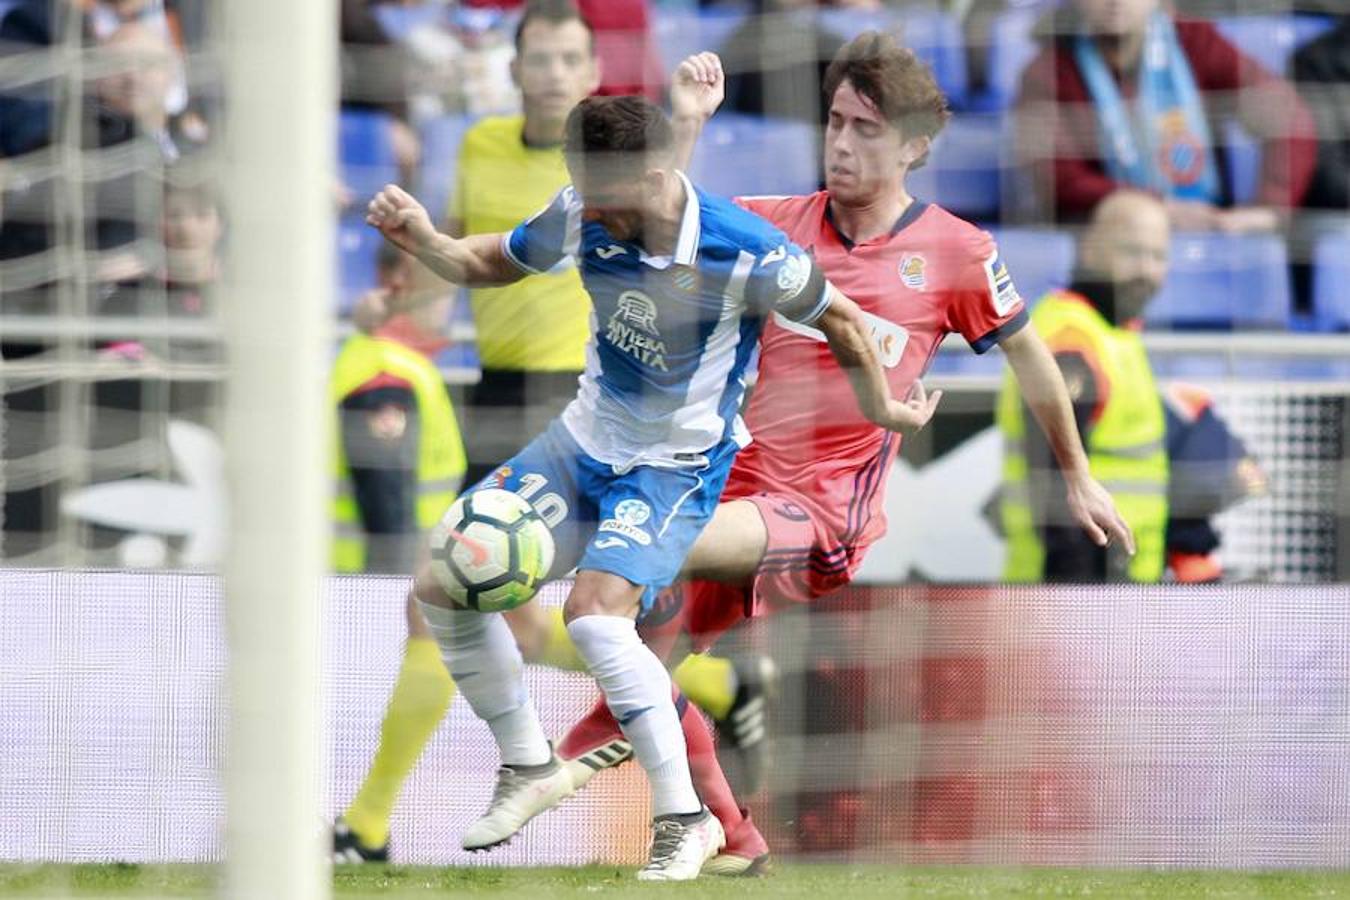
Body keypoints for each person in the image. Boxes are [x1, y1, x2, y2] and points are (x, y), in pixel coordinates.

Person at [479, 34, 1134, 858]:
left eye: (866, 128)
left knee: (632, 571)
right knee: (634, 655)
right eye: (834, 121)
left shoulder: (957, 253)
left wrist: (1076, 477)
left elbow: (1031, 354)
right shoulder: (777, 224)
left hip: (821, 517)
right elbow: (666, 220)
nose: (844, 143)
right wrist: (684, 122)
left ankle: (583, 775)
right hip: (732, 486)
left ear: (914, 145)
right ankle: (735, 838)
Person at [365, 93, 936, 880]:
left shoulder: (747, 251)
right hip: (581, 440)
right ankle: (527, 761)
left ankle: (686, 820)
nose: (597, 214)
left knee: (595, 618)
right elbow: (490, 261)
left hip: (676, 463)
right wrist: (425, 239)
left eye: (613, 198)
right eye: (586, 193)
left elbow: (840, 319)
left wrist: (882, 407)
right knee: (440, 582)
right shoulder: (586, 207)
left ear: (661, 173)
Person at [331, 34, 771, 867]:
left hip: (601, 401)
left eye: (573, 58)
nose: (555, 72)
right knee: (460, 593)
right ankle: (699, 701)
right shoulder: (481, 145)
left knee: (563, 613)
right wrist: (409, 277)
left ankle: (373, 821)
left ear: (590, 72)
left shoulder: (618, 165)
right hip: (505, 391)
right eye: (541, 56)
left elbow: (668, 211)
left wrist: (686, 122)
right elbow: (468, 259)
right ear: (516, 66)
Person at [1014, 0, 1318, 230]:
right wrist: (1161, 210)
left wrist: (1269, 209)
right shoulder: (1047, 71)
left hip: (1209, 228)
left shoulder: (1195, 41)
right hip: (1106, 236)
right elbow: (1062, 182)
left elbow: (1287, 116)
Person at [998, 190, 1170, 582]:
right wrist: (1081, 606)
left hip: (1117, 593)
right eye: (1131, 252)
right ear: (1089, 249)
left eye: (1158, 256)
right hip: (1074, 595)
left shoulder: (1114, 333)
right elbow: (1056, 493)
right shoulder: (1073, 340)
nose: (1146, 269)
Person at [331, 244, 468, 576]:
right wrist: (399, 590)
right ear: (396, 283)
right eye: (436, 284)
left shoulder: (389, 359)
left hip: (360, 582)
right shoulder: (387, 372)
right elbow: (389, 511)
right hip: (373, 587)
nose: (446, 301)